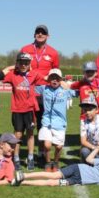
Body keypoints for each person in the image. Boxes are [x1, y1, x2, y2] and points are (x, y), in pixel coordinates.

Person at [20, 24, 60, 160]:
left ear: (48, 36)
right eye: (38, 32)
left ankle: (42, 152)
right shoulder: (25, 49)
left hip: (46, 90)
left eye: (43, 32)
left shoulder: (53, 52)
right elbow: (19, 67)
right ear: (34, 34)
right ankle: (29, 153)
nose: (40, 34)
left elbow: (56, 72)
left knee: (44, 121)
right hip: (29, 88)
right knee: (29, 122)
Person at [3, 52, 45, 170]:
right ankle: (16, 158)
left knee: (30, 134)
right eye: (21, 62)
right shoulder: (12, 75)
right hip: (17, 110)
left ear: (29, 64)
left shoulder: (34, 74)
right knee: (18, 135)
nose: (23, 65)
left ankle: (30, 157)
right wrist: (12, 67)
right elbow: (0, 76)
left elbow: (47, 79)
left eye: (26, 63)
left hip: (30, 110)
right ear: (17, 63)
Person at [11, 149, 99, 186]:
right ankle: (23, 175)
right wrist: (96, 149)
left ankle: (22, 182)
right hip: (77, 168)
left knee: (52, 183)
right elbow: (89, 160)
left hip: (77, 180)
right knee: (54, 175)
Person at [35, 68, 77, 171]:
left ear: (60, 80)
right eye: (52, 78)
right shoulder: (44, 88)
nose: (55, 80)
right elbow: (30, 85)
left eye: (57, 78)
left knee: (58, 147)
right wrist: (43, 78)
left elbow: (80, 91)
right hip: (46, 122)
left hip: (60, 123)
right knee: (47, 145)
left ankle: (56, 162)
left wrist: (69, 86)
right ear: (49, 79)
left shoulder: (65, 91)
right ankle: (48, 163)